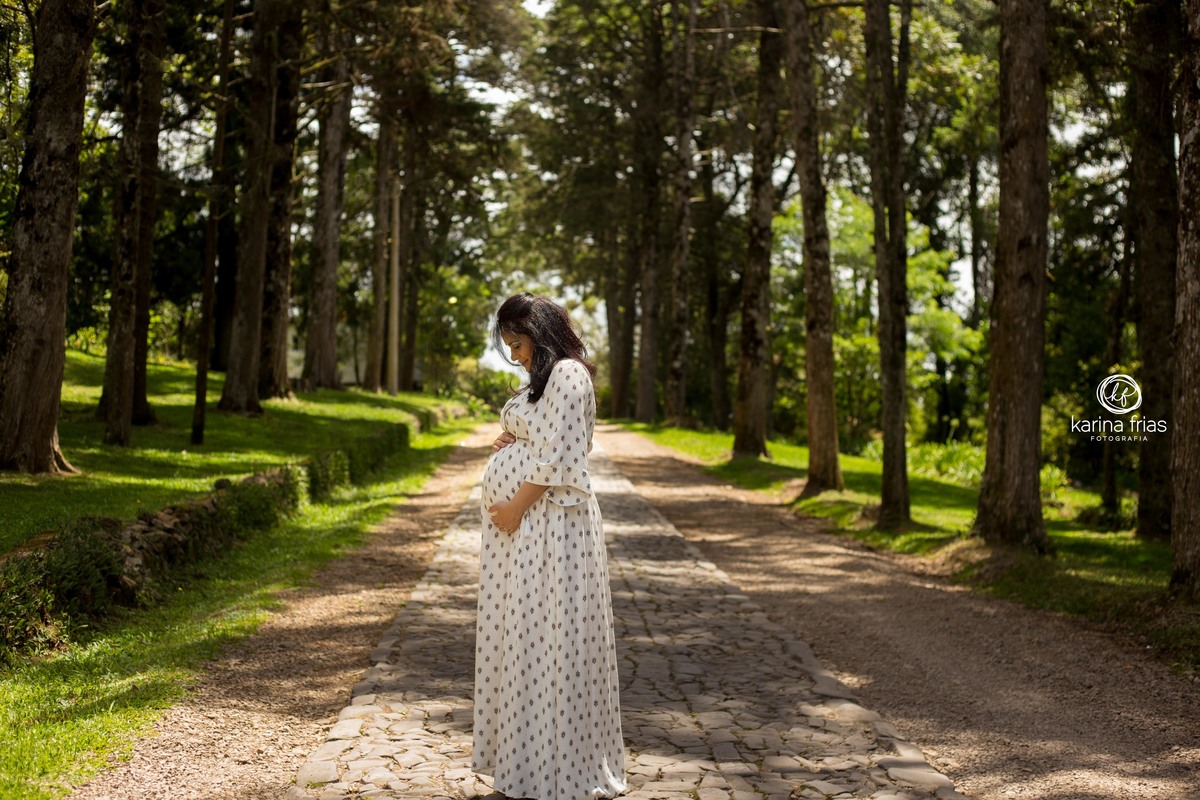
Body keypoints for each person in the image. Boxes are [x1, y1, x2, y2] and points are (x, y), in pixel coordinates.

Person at [473, 293, 626, 800]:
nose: (515, 355)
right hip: (528, 533)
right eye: (509, 346)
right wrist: (509, 440)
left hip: (553, 527)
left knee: (551, 640)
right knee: (525, 643)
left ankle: (557, 769)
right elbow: (541, 436)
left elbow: (561, 459)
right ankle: (526, 765)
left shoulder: (567, 374)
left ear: (540, 333)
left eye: (518, 344)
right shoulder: (542, 381)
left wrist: (514, 507)